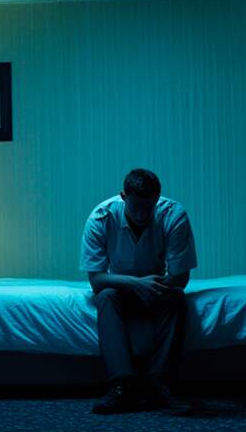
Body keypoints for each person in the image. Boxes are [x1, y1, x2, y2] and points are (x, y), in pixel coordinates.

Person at [80, 168, 197, 415]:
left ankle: (159, 383)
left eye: (149, 207)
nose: (143, 214)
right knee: (106, 297)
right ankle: (123, 384)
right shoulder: (101, 217)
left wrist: (150, 286)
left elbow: (180, 278)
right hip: (119, 288)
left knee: (176, 298)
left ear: (158, 198)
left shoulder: (173, 215)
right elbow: (97, 280)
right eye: (136, 207)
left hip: (158, 286)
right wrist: (136, 284)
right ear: (123, 196)